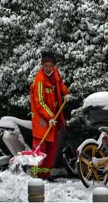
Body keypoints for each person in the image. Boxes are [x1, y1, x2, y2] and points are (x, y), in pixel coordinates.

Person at [30, 51, 73, 180]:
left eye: (50, 65)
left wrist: (66, 93)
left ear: (53, 65)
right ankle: (36, 174)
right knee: (40, 147)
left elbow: (60, 85)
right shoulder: (39, 80)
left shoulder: (55, 73)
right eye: (45, 65)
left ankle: (46, 173)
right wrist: (50, 117)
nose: (48, 68)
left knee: (52, 148)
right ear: (42, 65)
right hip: (41, 119)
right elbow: (40, 102)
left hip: (52, 118)